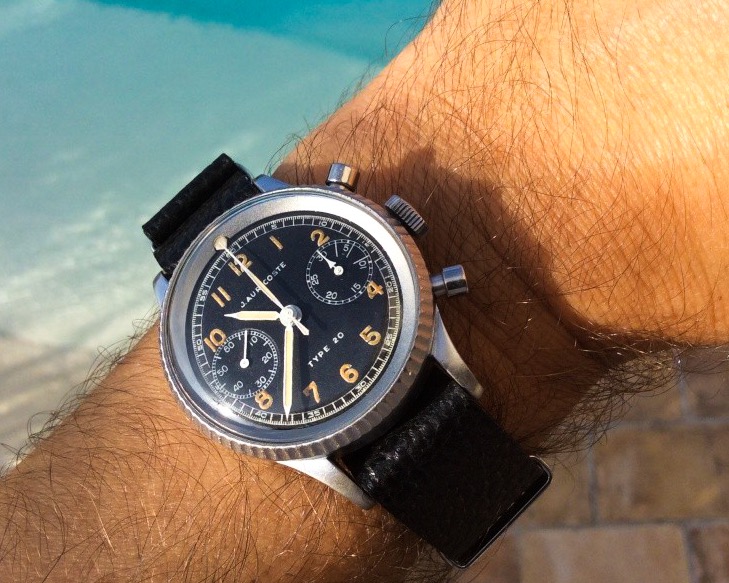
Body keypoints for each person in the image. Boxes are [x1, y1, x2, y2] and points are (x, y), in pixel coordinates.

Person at [2, 0, 729, 580]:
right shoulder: (241, 385)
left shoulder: (314, 282)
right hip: (330, 426)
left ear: (377, 217)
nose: (289, 313)